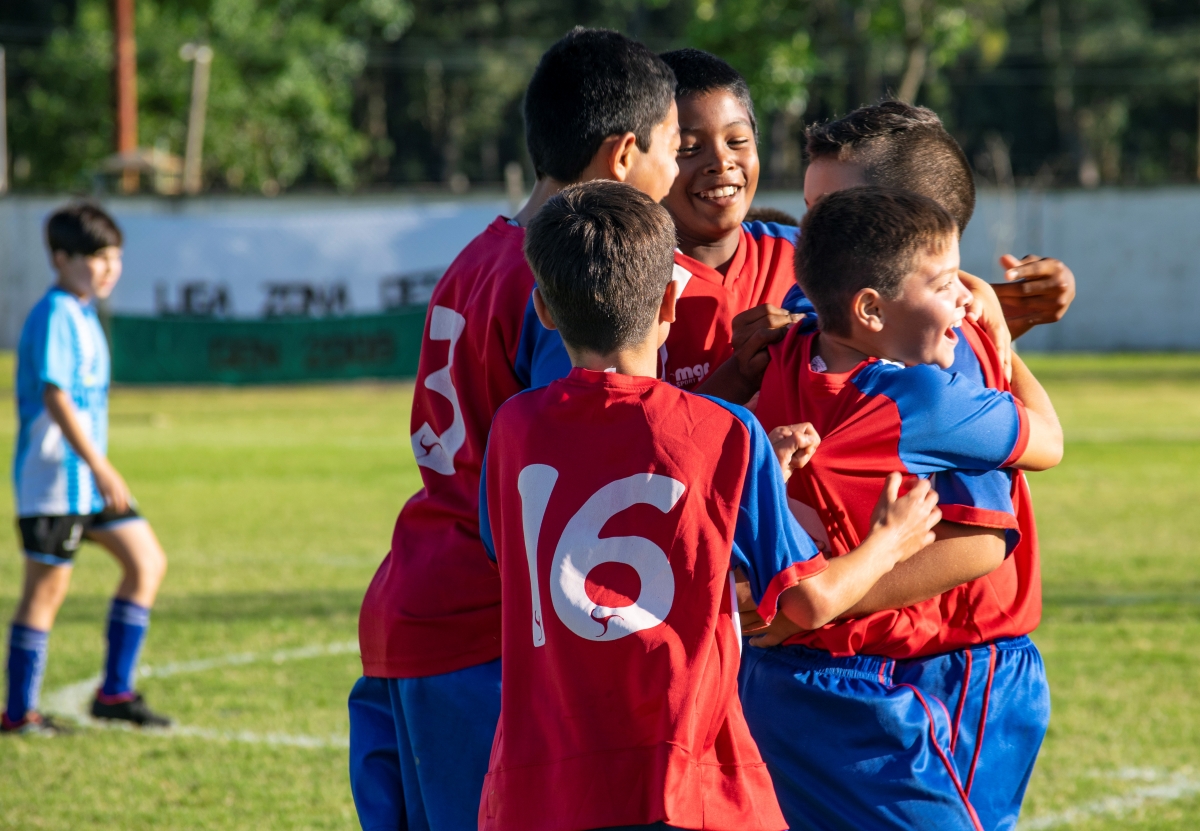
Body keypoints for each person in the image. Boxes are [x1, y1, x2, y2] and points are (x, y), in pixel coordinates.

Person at [478, 180, 943, 831]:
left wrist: (737, 486)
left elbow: (542, 547)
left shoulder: (514, 427)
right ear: (670, 301)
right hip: (681, 779)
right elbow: (804, 600)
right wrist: (887, 543)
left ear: (545, 311)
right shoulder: (725, 431)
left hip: (541, 786)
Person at [349, 28, 680, 831]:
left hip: (418, 601)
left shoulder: (480, 255)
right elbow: (572, 459)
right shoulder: (559, 285)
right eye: (676, 147)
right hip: (480, 634)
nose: (681, 172)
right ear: (624, 153)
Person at [744, 187, 1063, 830]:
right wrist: (1003, 349)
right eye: (946, 284)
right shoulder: (922, 399)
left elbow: (822, 289)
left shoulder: (789, 344)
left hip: (770, 670)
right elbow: (1048, 442)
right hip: (851, 684)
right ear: (869, 308)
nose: (965, 302)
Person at [3, 203, 170, 735]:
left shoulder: (83, 314)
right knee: (45, 594)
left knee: (146, 563)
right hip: (55, 481)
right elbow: (54, 395)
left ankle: (114, 693)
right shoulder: (55, 312)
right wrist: (99, 463)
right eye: (95, 258)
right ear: (60, 258)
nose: (108, 269)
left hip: (89, 484)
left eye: (114, 257)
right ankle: (18, 713)